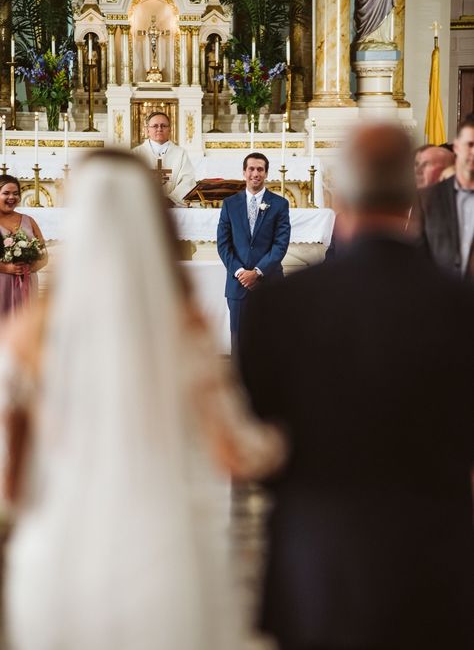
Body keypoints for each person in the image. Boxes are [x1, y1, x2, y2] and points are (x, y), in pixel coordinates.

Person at [2, 150, 285, 650]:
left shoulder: (33, 334)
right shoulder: (184, 330)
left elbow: (10, 475)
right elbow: (240, 452)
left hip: (58, 553)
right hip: (163, 550)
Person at [239, 123, 474, 650]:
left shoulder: (281, 307)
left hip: (317, 557)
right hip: (435, 553)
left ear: (339, 196)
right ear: (413, 195)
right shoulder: (459, 306)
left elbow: (262, 434)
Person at [217, 152, 290, 351]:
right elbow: (223, 244)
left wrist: (257, 272)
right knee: (239, 342)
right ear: (244, 172)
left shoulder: (280, 204)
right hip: (237, 285)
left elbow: (280, 245)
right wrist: (241, 273)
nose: (255, 173)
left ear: (266, 173)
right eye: (251, 169)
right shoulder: (230, 204)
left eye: (260, 169)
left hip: (269, 282)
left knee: (270, 340)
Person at [413, 114, 474, 278]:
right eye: (470, 144)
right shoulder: (428, 199)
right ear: (457, 147)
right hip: (439, 298)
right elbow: (416, 259)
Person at [0, 175, 47, 318]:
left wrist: (29, 268)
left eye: (15, 193)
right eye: (6, 193)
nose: (11, 197)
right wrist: (7, 268)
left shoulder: (29, 221)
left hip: (27, 284)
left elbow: (44, 255)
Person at [132, 111, 196, 205]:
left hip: (174, 208)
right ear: (147, 130)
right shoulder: (135, 154)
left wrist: (172, 199)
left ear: (170, 129)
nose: (159, 129)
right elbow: (130, 182)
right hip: (143, 206)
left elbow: (188, 180)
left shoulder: (180, 153)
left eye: (163, 126)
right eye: (155, 126)